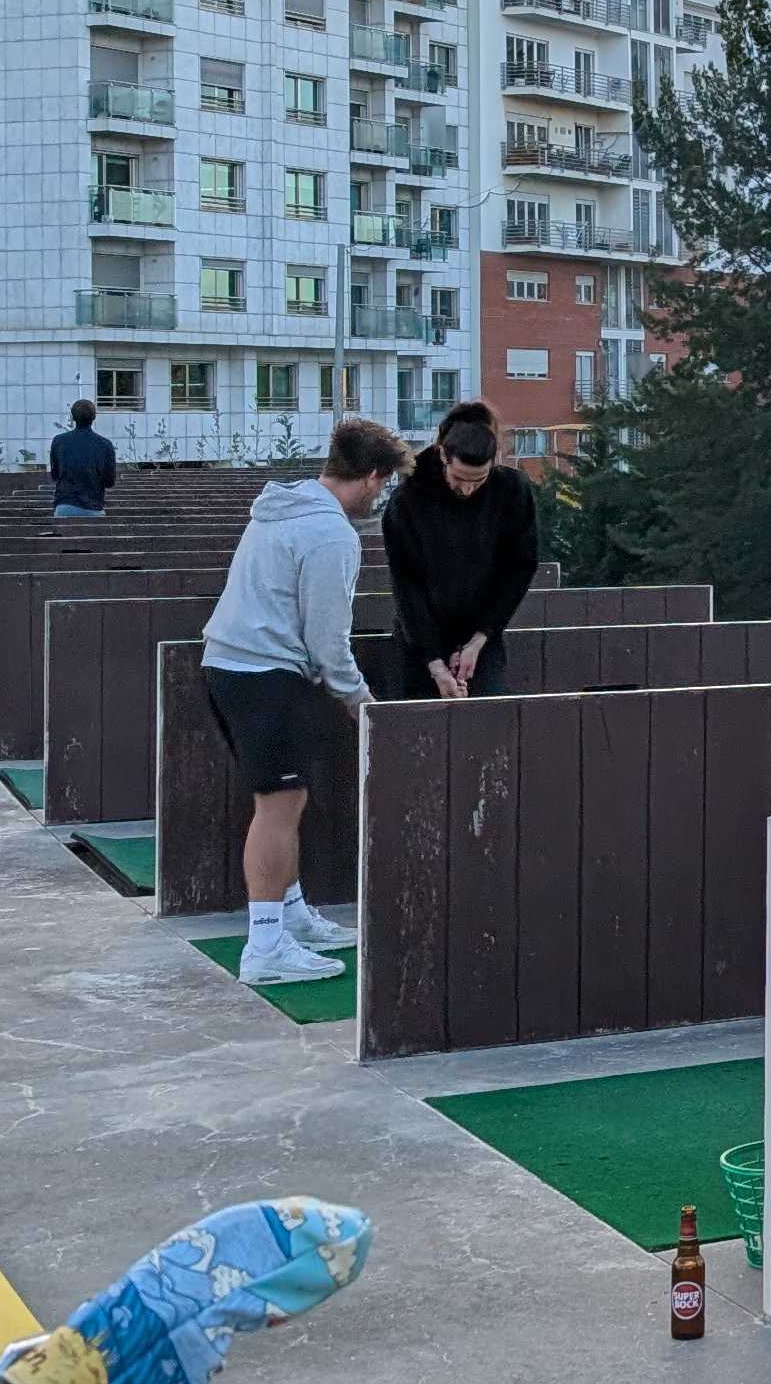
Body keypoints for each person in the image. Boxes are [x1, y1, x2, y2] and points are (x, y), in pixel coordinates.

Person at [198, 417, 405, 985]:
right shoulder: (332, 534)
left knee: (285, 803)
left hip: (230, 665)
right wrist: (361, 702)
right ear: (369, 477)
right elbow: (328, 641)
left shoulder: (280, 509)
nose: (378, 498)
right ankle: (265, 946)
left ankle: (292, 920)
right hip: (264, 674)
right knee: (278, 808)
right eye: (382, 487)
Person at [381, 400, 539, 701]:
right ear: (443, 455)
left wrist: (480, 638)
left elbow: (519, 568)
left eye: (478, 481)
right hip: (419, 642)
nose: (467, 490)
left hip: (483, 636)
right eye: (459, 480)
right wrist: (435, 664)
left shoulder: (512, 490)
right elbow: (407, 585)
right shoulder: (408, 500)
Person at [48, 396, 118, 520]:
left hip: (65, 506)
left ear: (72, 417)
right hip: (93, 508)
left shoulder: (59, 442)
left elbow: (55, 475)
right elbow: (109, 482)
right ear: (94, 418)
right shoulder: (105, 445)